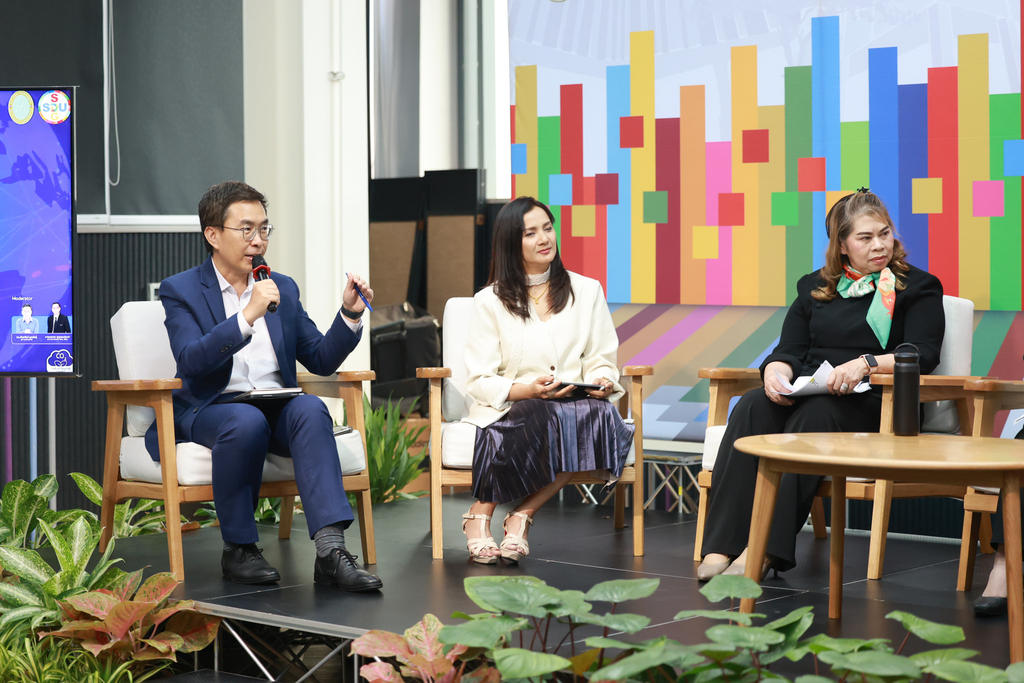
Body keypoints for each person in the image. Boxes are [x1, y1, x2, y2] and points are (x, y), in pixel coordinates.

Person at [145, 180, 382, 592]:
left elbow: (320, 359)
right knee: (245, 420)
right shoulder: (181, 290)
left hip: (275, 405)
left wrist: (349, 314)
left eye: (264, 229)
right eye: (246, 230)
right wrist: (246, 316)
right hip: (211, 408)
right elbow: (191, 361)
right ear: (213, 235)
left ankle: (331, 552)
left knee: (311, 409)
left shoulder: (281, 287)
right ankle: (239, 549)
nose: (258, 240)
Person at [697, 188, 945, 580]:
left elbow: (922, 353)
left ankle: (766, 550)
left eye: (884, 233)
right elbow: (789, 349)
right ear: (842, 245)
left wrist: (865, 364)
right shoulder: (814, 287)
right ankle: (722, 544)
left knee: (815, 415)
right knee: (752, 405)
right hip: (817, 390)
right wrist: (775, 372)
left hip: (878, 401)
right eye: (865, 238)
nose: (879, 245)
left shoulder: (917, 286)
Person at [459, 196, 635, 564]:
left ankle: (522, 514)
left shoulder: (587, 290)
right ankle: (481, 513)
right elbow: (479, 377)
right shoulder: (489, 301)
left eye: (548, 228)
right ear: (512, 243)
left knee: (599, 415)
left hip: (572, 400)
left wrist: (602, 381)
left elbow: (601, 357)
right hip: (514, 402)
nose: (544, 238)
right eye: (531, 233)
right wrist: (528, 390)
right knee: (544, 412)